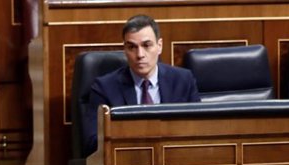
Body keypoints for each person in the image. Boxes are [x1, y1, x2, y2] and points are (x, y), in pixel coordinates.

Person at [83, 14, 201, 154]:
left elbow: (199, 130)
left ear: (159, 46)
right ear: (125, 50)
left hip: (175, 160)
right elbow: (92, 142)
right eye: (132, 47)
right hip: (127, 162)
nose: (139, 54)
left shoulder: (183, 80)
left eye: (146, 45)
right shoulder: (104, 88)